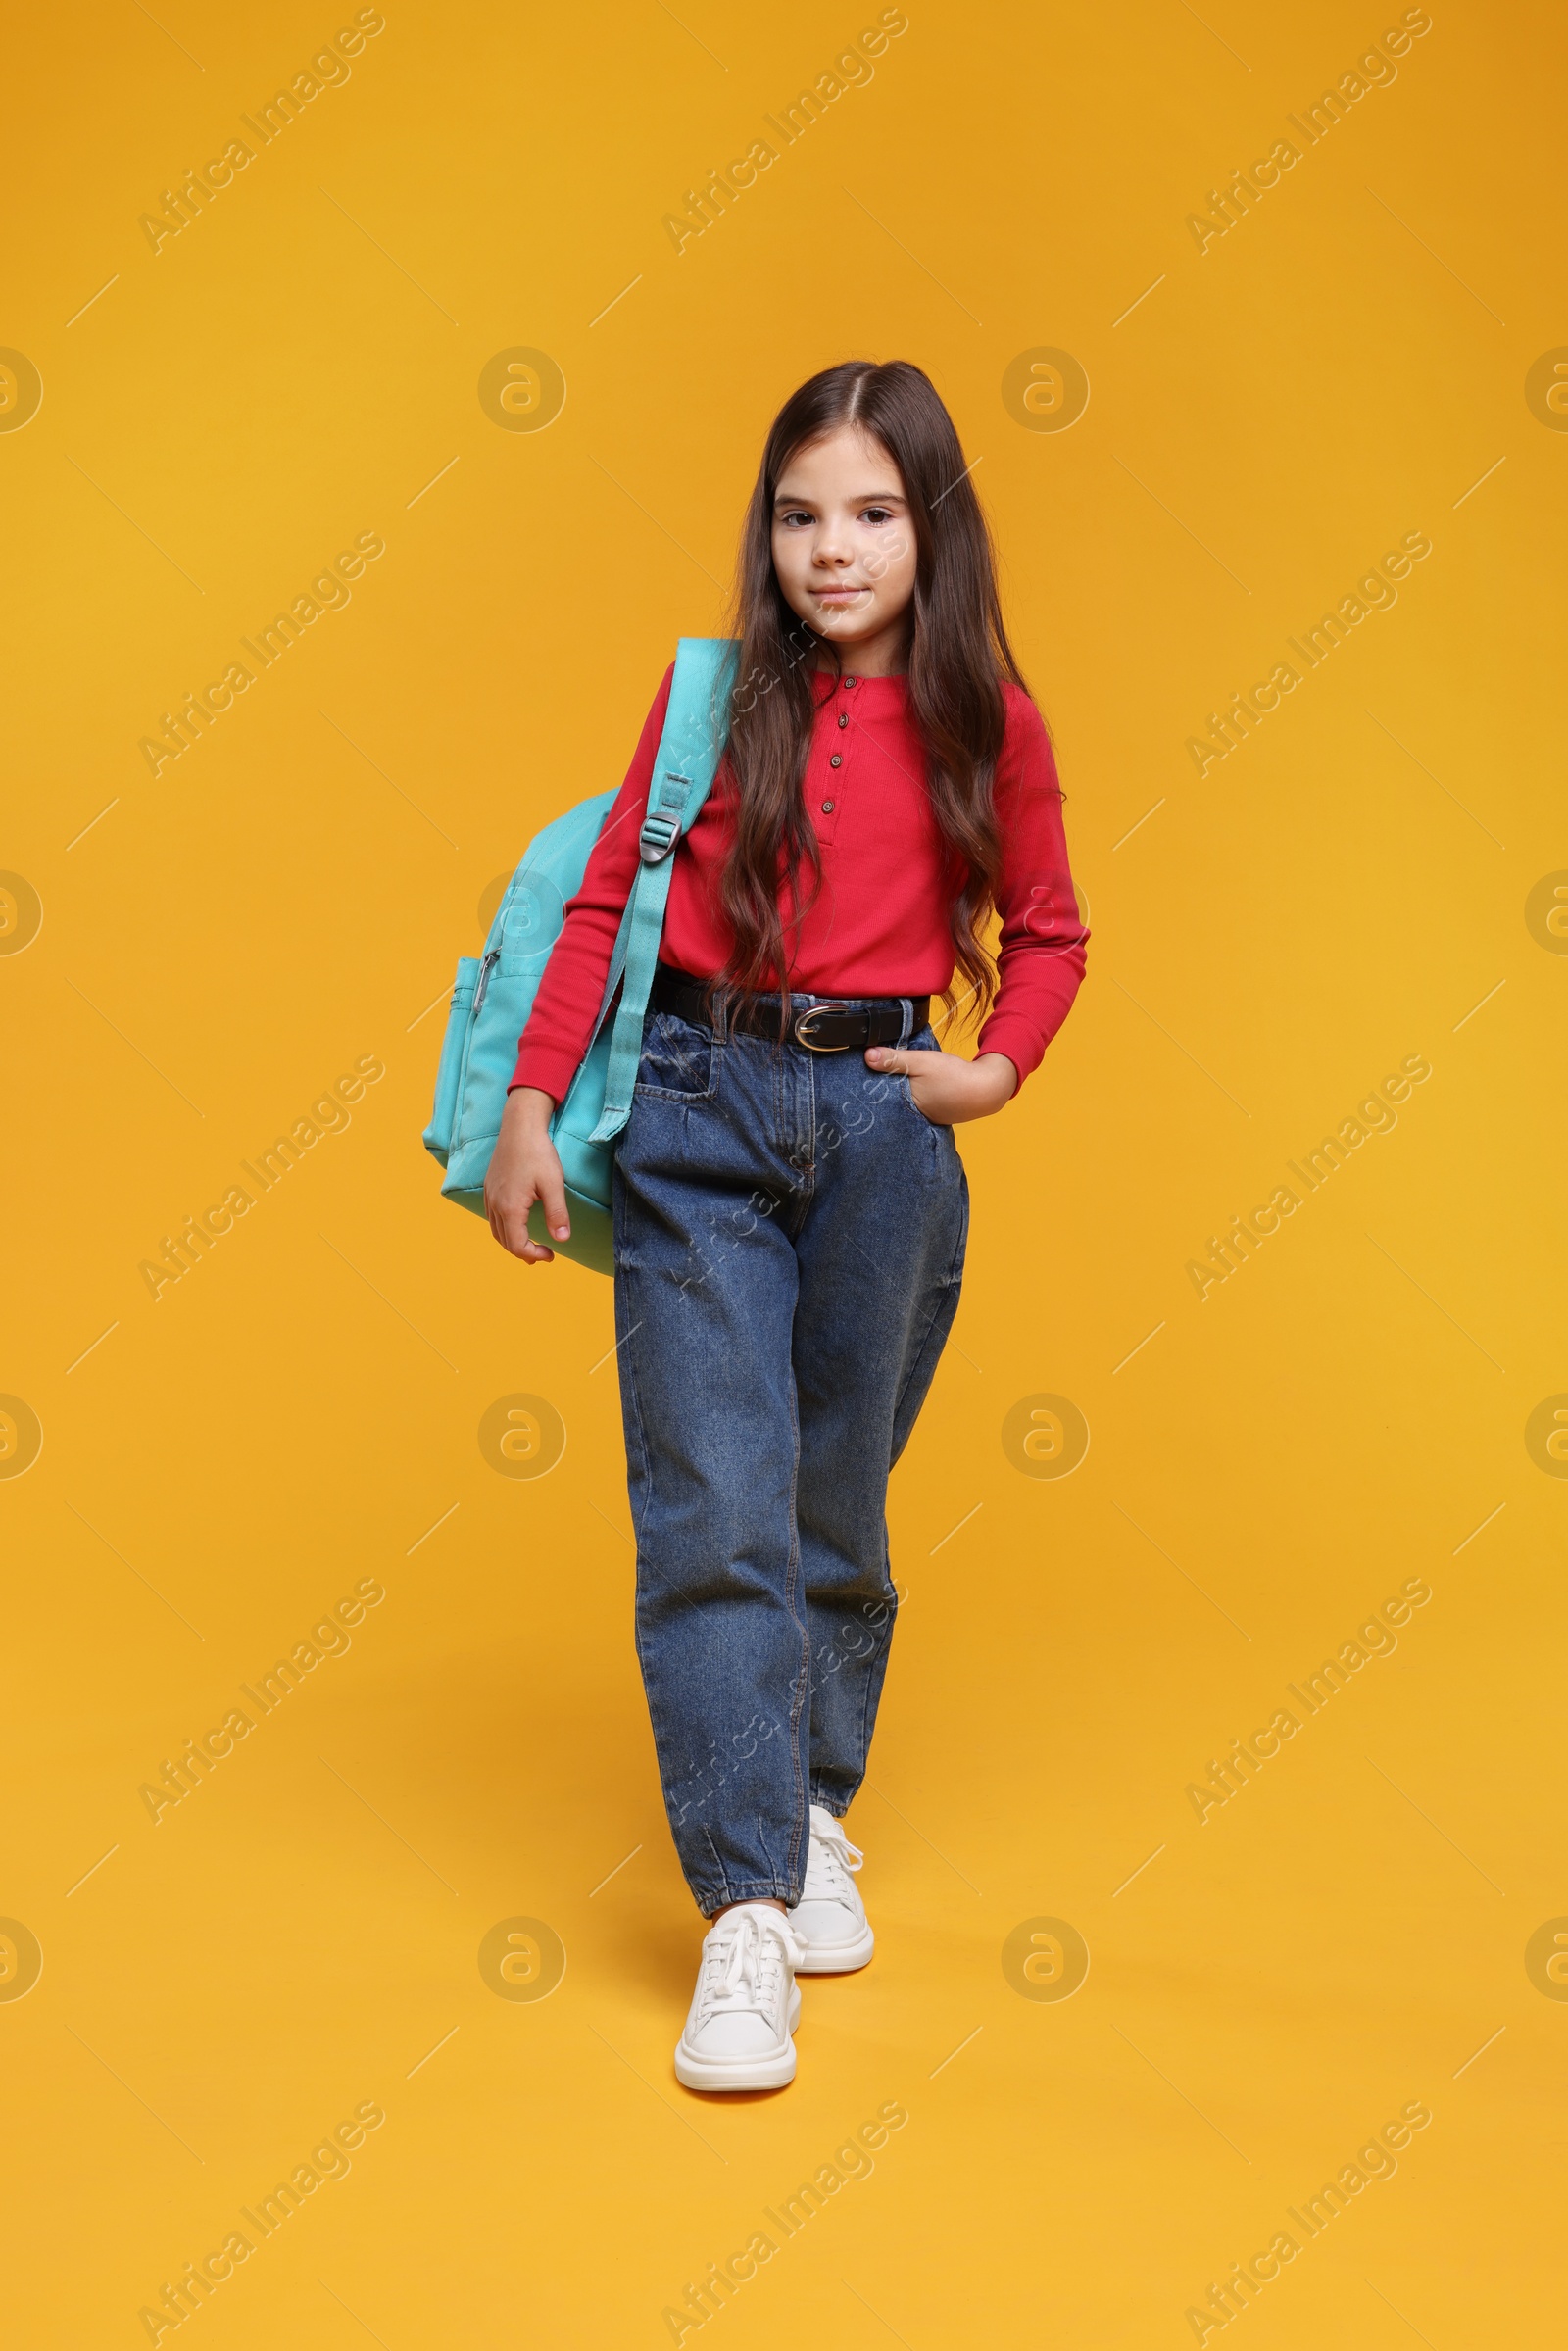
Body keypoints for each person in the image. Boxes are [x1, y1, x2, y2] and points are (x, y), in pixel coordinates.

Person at [483, 360, 1087, 2091]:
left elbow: (1049, 931)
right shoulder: (714, 702)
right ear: (768, 533)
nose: (834, 550)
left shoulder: (992, 719)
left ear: (934, 529)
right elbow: (605, 897)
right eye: (801, 514)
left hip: (887, 1129)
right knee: (711, 1503)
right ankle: (745, 1913)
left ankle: (815, 1801)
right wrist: (533, 1104)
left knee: (833, 1484)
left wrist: (995, 1073)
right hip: (694, 1110)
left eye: (875, 515)